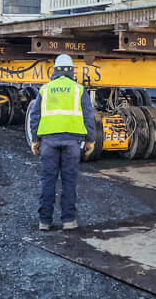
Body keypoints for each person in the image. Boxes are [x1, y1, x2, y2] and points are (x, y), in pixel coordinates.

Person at [28, 54, 96, 231]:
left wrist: (35, 140)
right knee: (69, 181)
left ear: (55, 71)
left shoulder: (45, 89)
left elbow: (35, 117)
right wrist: (90, 141)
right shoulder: (79, 90)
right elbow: (88, 117)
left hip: (49, 142)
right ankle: (68, 221)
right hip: (72, 143)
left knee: (48, 181)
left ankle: (44, 221)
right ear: (72, 71)